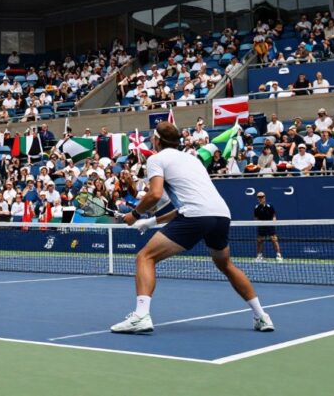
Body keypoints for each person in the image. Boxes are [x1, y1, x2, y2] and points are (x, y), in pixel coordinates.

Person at [111, 121, 274, 334]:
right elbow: (186, 206)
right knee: (225, 265)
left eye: (153, 137)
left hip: (196, 215)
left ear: (157, 140)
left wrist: (134, 215)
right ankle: (261, 316)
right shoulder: (192, 159)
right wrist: (150, 222)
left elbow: (155, 194)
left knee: (145, 257)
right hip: (221, 215)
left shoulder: (156, 159)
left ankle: (141, 316)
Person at [253, 192, 283, 262]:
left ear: (264, 197)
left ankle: (279, 255)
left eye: (262, 197)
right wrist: (257, 224)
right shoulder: (256, 208)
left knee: (274, 239)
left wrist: (273, 221)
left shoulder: (270, 206)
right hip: (261, 225)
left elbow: (274, 215)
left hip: (269, 224)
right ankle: (259, 256)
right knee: (260, 240)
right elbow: (256, 217)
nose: (260, 198)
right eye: (259, 197)